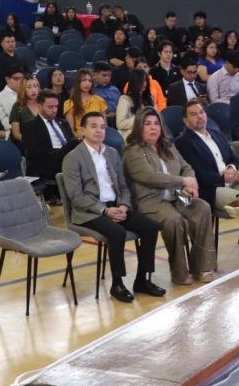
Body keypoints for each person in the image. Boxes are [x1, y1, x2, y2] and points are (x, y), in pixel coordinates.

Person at [62, 111, 165, 303]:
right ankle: (117, 284)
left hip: (116, 206)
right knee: (117, 232)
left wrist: (124, 205)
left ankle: (142, 280)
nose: (99, 131)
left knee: (151, 227)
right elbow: (76, 197)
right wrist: (104, 210)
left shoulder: (112, 153)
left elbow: (124, 187)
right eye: (93, 126)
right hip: (90, 211)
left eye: (102, 127)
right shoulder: (72, 158)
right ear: (82, 130)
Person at [122, 108, 218, 285]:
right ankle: (179, 272)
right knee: (174, 220)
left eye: (156, 124)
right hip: (152, 201)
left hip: (177, 196)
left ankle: (201, 267)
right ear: (139, 127)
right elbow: (150, 177)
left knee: (201, 208)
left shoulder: (168, 146)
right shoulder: (132, 151)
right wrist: (183, 181)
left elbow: (186, 167)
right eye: (148, 124)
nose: (153, 128)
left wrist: (189, 186)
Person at [175, 99, 239, 262]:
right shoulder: (184, 142)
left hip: (234, 182)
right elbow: (197, 175)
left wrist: (233, 169)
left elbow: (235, 159)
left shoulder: (216, 134)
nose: (199, 117)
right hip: (213, 189)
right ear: (186, 121)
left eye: (201, 112)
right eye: (193, 115)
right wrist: (224, 177)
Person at [20, 91, 77, 189]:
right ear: (40, 106)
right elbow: (34, 153)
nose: (54, 110)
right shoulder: (30, 126)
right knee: (75, 143)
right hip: (46, 163)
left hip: (69, 158)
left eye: (56, 106)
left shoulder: (63, 122)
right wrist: (59, 152)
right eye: (50, 107)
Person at [63, 68, 108, 140]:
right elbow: (71, 131)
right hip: (81, 138)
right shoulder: (69, 103)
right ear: (78, 82)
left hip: (99, 137)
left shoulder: (99, 100)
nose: (87, 84)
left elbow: (104, 126)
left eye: (90, 81)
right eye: (84, 80)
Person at [7, 75, 44, 144]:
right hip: (28, 143)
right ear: (23, 90)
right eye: (29, 87)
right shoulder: (17, 107)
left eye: (35, 86)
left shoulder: (44, 103)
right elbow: (16, 134)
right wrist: (31, 141)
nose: (33, 90)